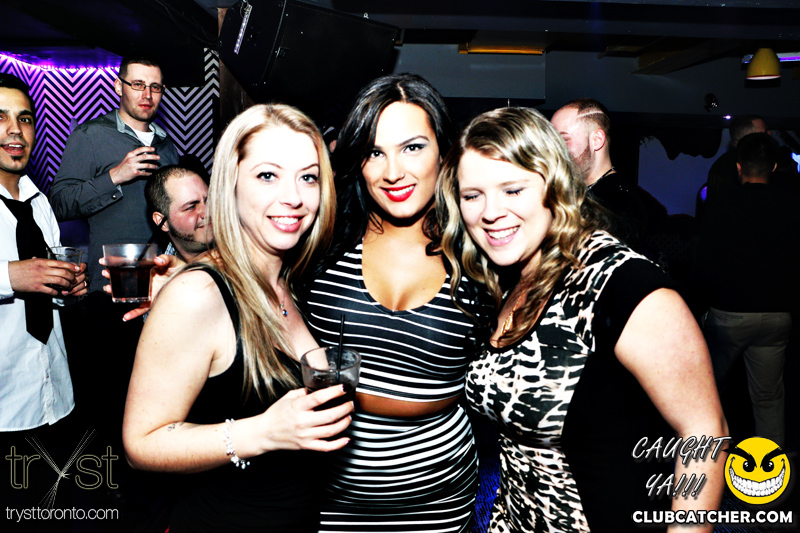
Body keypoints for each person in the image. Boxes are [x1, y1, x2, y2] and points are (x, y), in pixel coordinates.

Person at [439, 107, 728, 532]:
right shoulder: (507, 278)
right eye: (472, 195)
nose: (490, 212)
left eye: (513, 190)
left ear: (555, 185)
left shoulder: (622, 285)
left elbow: (704, 431)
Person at [122, 104, 351, 532]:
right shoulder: (198, 293)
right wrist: (263, 432)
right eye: (267, 175)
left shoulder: (293, 280)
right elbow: (141, 445)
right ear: (230, 185)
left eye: (308, 177)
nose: (294, 196)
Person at [301, 74, 480, 532]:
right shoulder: (321, 241)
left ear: (444, 152)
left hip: (438, 503)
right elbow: (255, 287)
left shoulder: (480, 254)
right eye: (374, 152)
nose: (393, 172)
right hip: (327, 497)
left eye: (412, 148)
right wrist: (190, 287)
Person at [0, 73, 87, 515]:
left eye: (25, 119)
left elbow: (48, 292)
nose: (15, 131)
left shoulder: (40, 202)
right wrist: (9, 276)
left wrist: (68, 289)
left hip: (54, 397)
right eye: (0, 118)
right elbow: (20, 278)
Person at [694, 132, 797, 447]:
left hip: (729, 314)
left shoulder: (721, 204)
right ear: (774, 167)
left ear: (738, 167)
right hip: (777, 314)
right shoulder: (791, 206)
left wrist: (701, 307)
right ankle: (772, 470)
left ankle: (705, 462)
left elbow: (704, 263)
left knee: (708, 393)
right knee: (768, 398)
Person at [49, 55, 180, 291]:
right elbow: (59, 203)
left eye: (155, 87)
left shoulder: (167, 145)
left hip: (163, 282)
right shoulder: (90, 135)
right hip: (111, 284)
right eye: (138, 84)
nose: (147, 95)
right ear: (119, 86)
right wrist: (115, 176)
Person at [551, 98, 666, 255]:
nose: (554, 150)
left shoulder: (620, 203)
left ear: (597, 140)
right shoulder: (574, 191)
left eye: (564, 140)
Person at [145, 165, 213, 262]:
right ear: (162, 222)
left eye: (209, 200)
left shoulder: (235, 259)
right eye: (191, 207)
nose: (207, 212)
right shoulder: (161, 269)